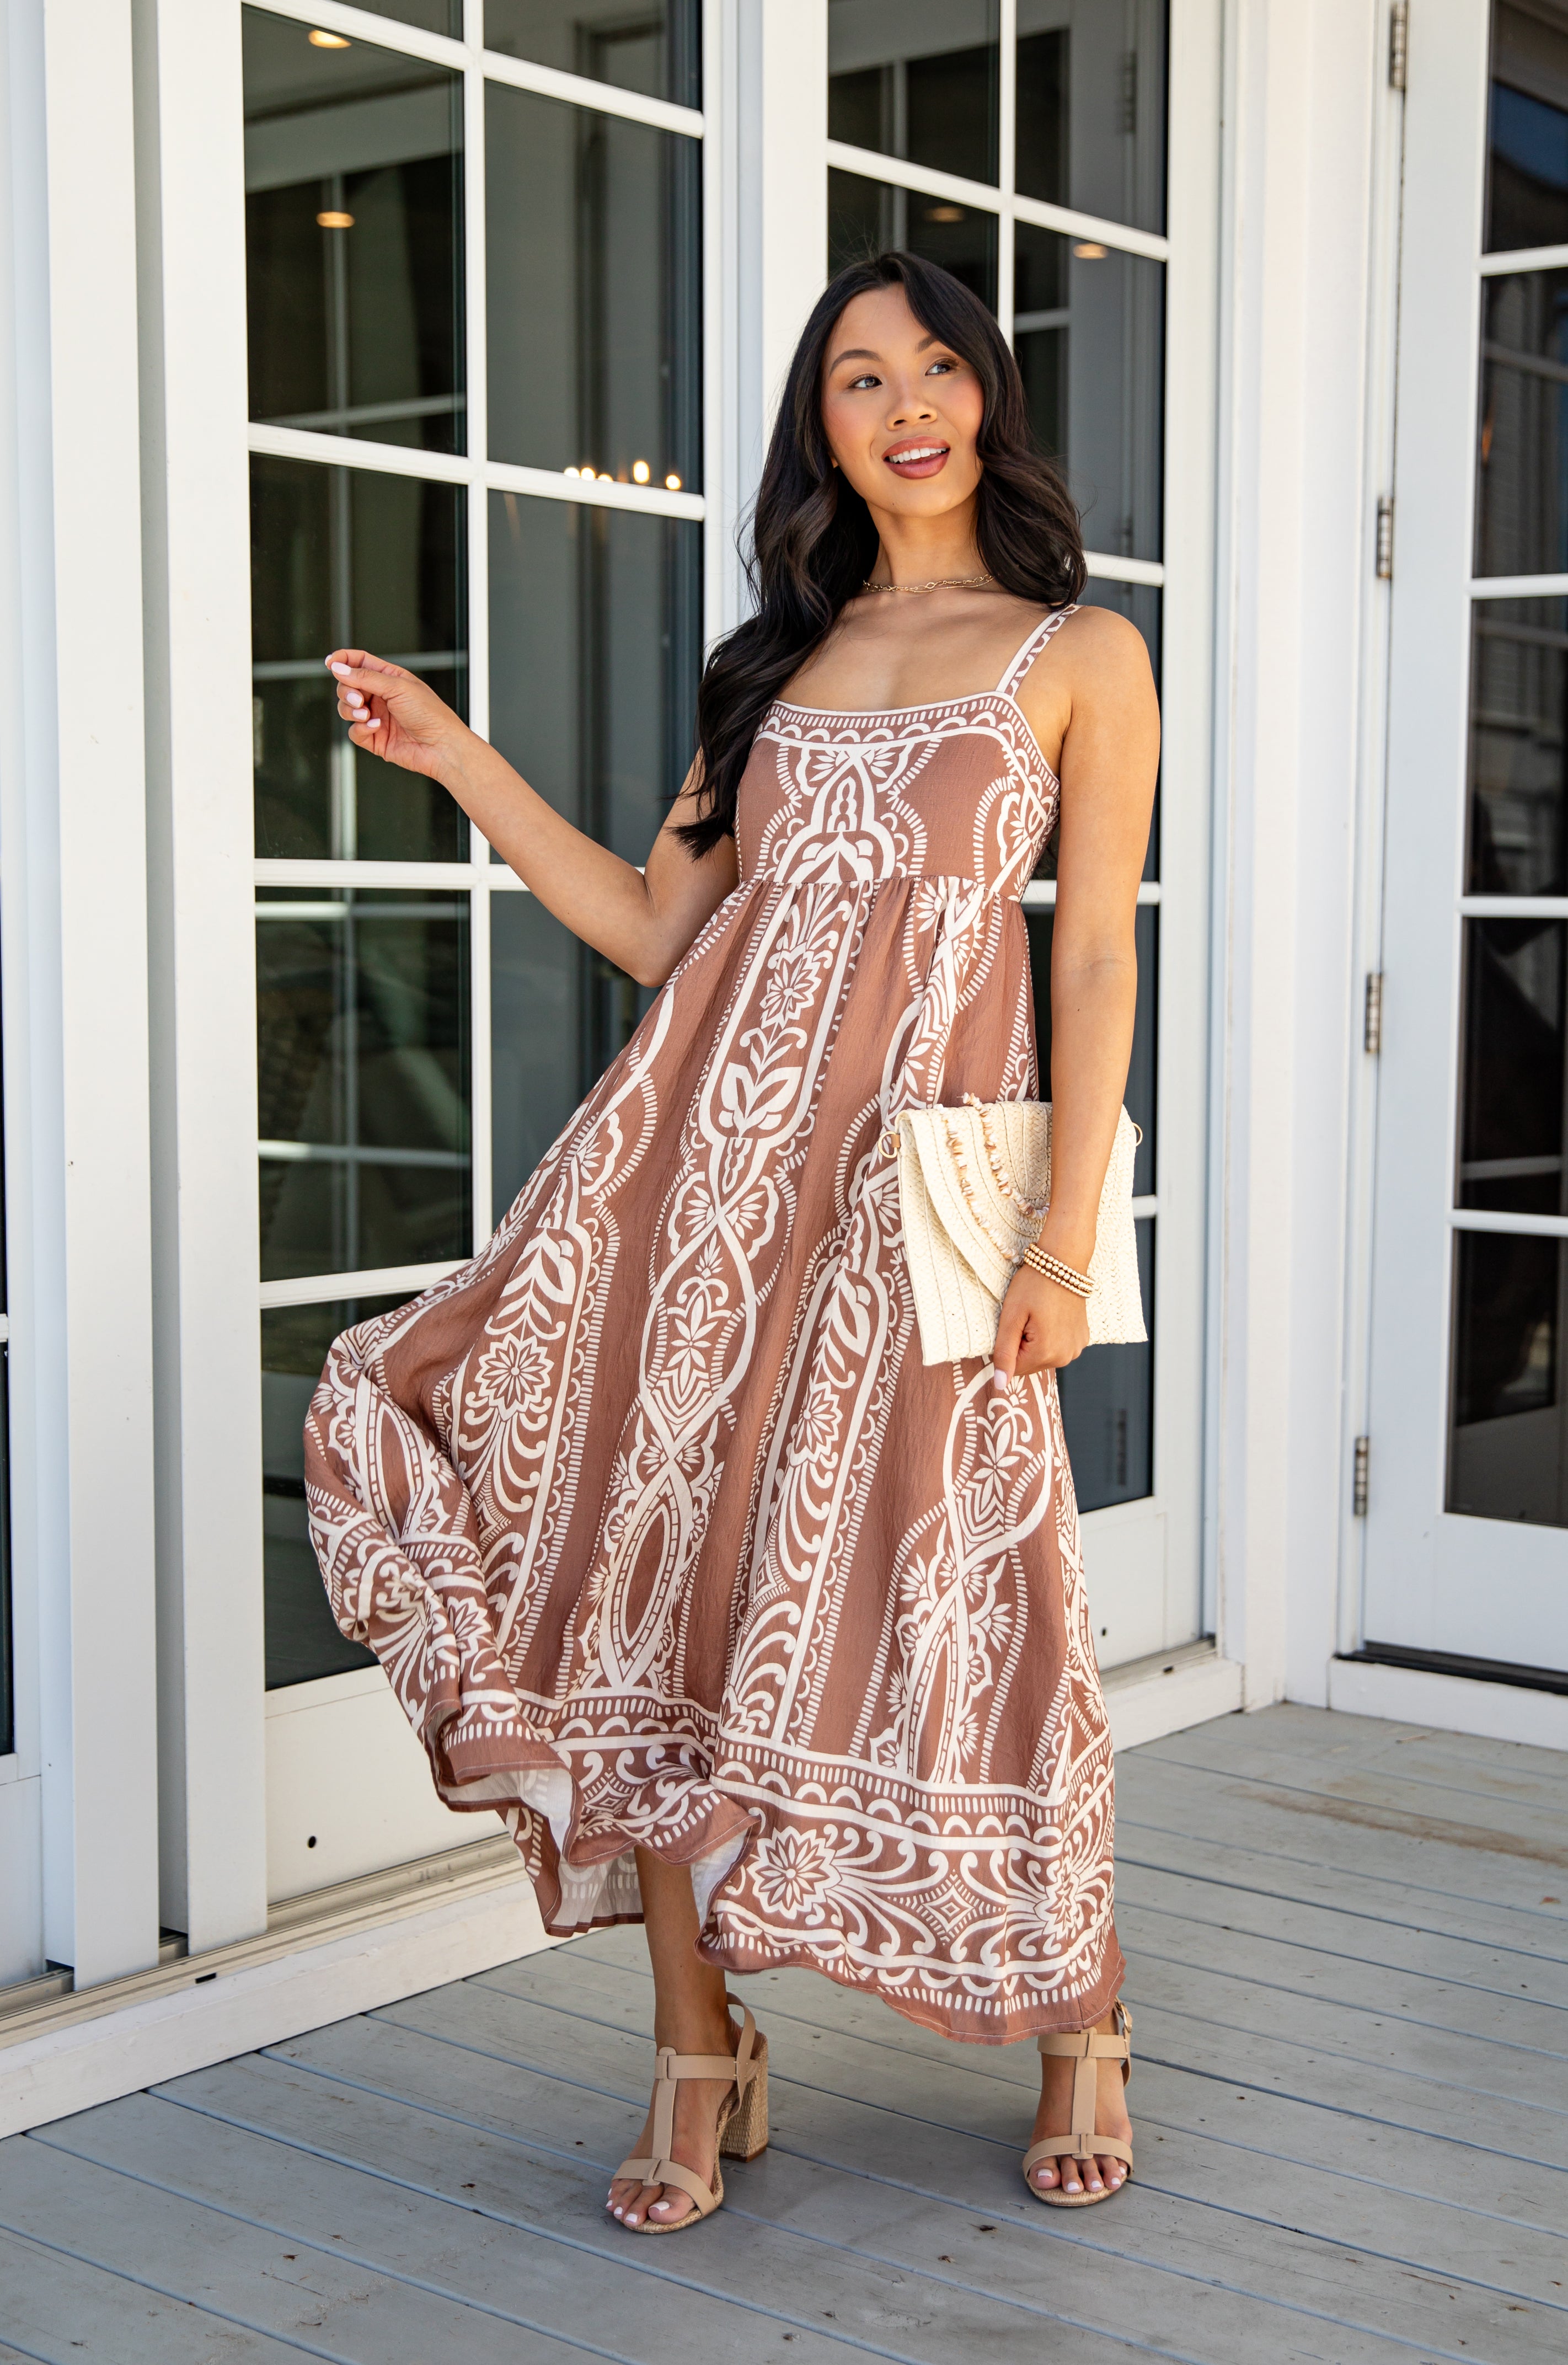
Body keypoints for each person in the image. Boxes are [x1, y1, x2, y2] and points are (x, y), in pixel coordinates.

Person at [306, 249, 1159, 2230]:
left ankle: (1078, 2008)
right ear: (822, 430)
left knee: (973, 1594)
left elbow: (1094, 956)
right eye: (860, 378)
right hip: (696, 1201)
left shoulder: (1076, 653)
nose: (905, 403)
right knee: (668, 1596)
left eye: (936, 365)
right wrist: (460, 762)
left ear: (985, 396)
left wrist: (1063, 1241)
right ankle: (699, 2049)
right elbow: (654, 929)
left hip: (919, 1209)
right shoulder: (768, 666)